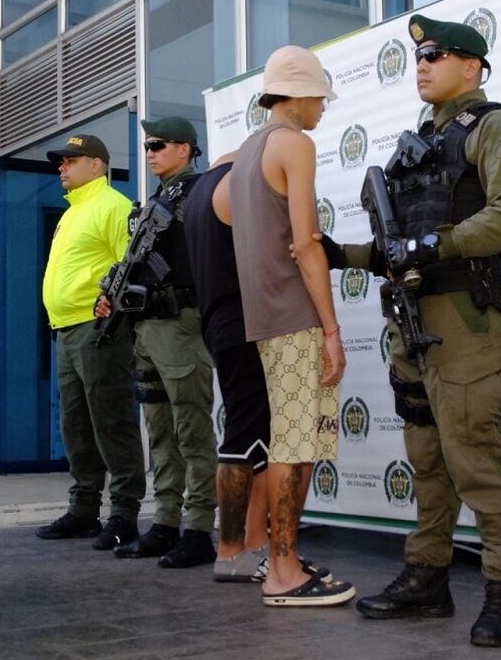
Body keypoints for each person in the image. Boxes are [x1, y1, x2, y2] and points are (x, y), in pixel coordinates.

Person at [327, 15, 501, 647]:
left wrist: (432, 244)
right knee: (426, 459)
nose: (422, 65)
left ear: (473, 66)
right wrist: (342, 255)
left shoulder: (495, 129)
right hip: (410, 322)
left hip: (465, 321)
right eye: (418, 57)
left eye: (437, 55)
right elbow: (398, 248)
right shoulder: (416, 143)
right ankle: (427, 576)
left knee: (474, 455)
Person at [230, 45, 355, 608]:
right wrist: (330, 327)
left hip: (262, 317)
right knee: (294, 444)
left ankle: (284, 561)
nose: (323, 110)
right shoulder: (294, 144)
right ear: (299, 95)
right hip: (294, 317)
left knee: (293, 440)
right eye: (320, 99)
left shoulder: (244, 152)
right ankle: (282, 571)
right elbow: (305, 244)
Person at [182, 152, 332, 587]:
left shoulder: (202, 187)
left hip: (220, 319)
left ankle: (250, 548)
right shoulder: (241, 182)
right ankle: (232, 552)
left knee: (256, 437)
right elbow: (292, 249)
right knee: (247, 437)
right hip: (248, 320)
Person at [98, 117, 219, 568]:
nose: (149, 152)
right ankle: (166, 521)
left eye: (159, 145)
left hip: (179, 325)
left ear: (186, 148)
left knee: (191, 429)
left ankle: (199, 528)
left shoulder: (199, 194)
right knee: (161, 432)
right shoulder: (157, 199)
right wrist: (109, 293)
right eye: (147, 146)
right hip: (146, 328)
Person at [37, 134, 145, 550]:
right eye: (61, 162)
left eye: (71, 160)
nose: (62, 167)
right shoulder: (72, 213)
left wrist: (114, 319)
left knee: (111, 420)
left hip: (98, 331)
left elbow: (131, 270)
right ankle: (83, 510)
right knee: (76, 425)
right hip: (65, 328)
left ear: (97, 165)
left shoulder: (114, 207)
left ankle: (124, 514)